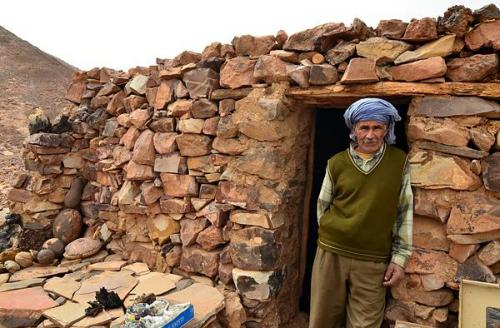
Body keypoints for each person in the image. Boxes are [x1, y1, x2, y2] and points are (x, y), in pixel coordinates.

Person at [309, 98, 413, 328]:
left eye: (377, 127)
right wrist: (334, 235)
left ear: (387, 129)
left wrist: (400, 258)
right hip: (331, 254)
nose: (370, 135)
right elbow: (322, 207)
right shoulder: (336, 163)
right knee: (322, 320)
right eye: (364, 127)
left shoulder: (399, 162)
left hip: (373, 260)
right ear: (354, 129)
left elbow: (404, 211)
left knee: (365, 324)